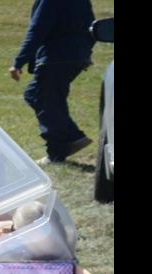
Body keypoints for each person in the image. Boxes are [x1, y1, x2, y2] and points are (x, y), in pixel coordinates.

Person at [9, 0, 96, 165]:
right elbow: (93, 28)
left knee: (42, 99)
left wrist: (19, 61)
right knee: (45, 98)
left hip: (54, 58)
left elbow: (37, 29)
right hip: (76, 57)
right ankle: (66, 142)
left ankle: (62, 147)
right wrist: (85, 53)